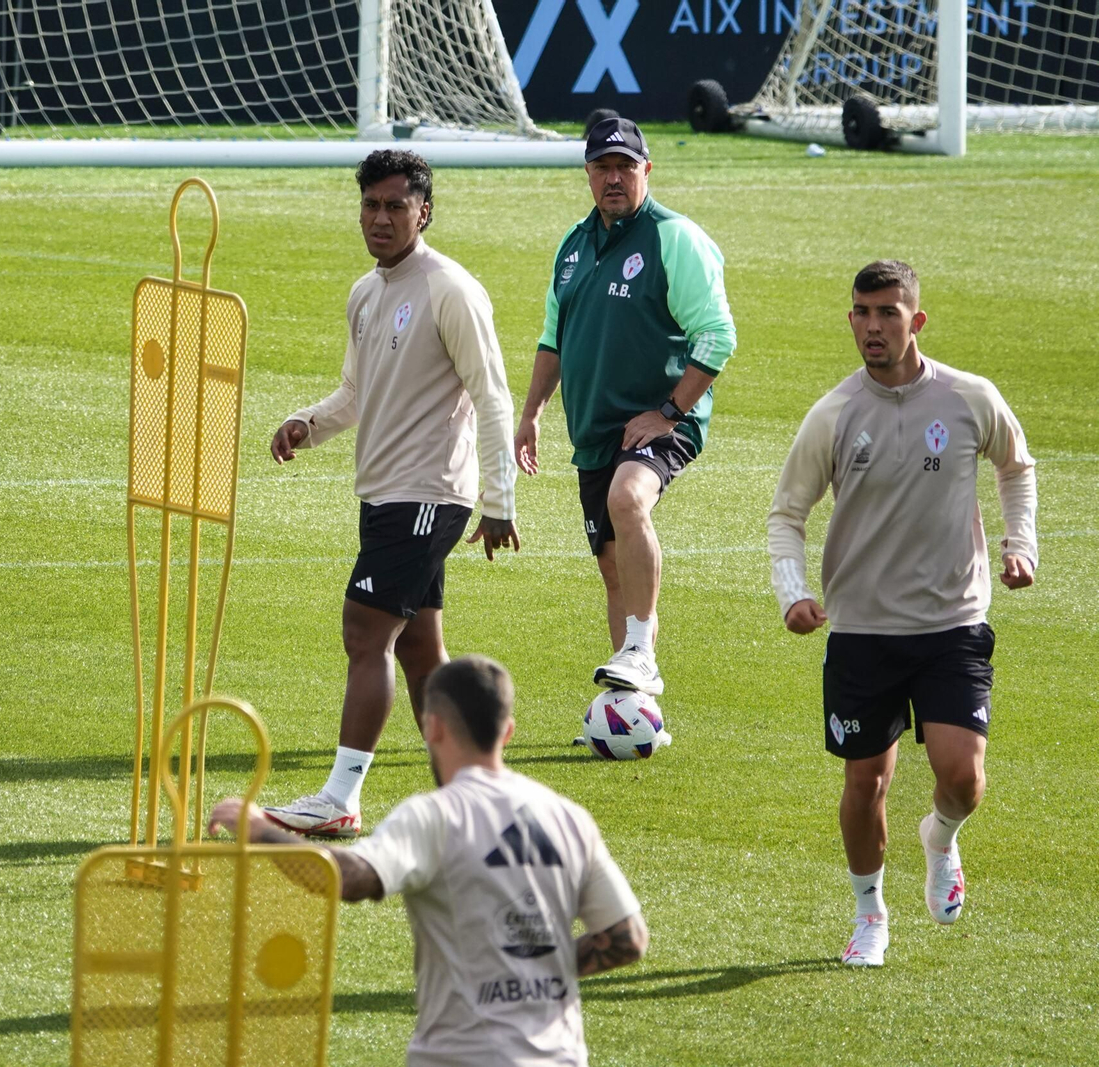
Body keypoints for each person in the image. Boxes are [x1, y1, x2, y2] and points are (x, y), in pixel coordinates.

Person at [766, 260, 1038, 968]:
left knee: (964, 776)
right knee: (866, 782)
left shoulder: (968, 397)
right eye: (861, 312)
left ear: (915, 320)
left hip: (953, 621)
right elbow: (786, 513)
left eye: (888, 312)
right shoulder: (834, 413)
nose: (873, 326)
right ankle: (869, 911)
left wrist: (1021, 544)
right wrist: (792, 590)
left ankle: (940, 837)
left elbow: (1017, 464)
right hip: (862, 629)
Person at [210, 655, 647, 1067]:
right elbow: (627, 939)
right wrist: (533, 970)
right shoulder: (568, 818)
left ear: (433, 727)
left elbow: (349, 878)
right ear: (508, 731)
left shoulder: (435, 816)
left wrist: (260, 831)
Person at [263, 149, 519, 838]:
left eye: (395, 206)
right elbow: (355, 391)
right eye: (371, 205)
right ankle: (473, 795)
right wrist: (307, 425)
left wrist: (501, 498)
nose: (380, 218)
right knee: (417, 652)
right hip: (386, 492)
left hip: (430, 492)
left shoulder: (450, 289)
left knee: (364, 629)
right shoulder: (367, 292)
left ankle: (341, 796)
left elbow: (493, 396)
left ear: (423, 211)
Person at [514, 117, 736, 701]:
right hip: (593, 429)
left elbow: (716, 335)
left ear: (646, 171)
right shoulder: (573, 244)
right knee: (614, 569)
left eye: (625, 167)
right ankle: (631, 705)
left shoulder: (674, 238)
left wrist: (668, 412)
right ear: (587, 173)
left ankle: (639, 650)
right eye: (602, 167)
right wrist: (532, 411)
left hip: (659, 418)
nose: (614, 178)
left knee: (627, 497)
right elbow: (552, 336)